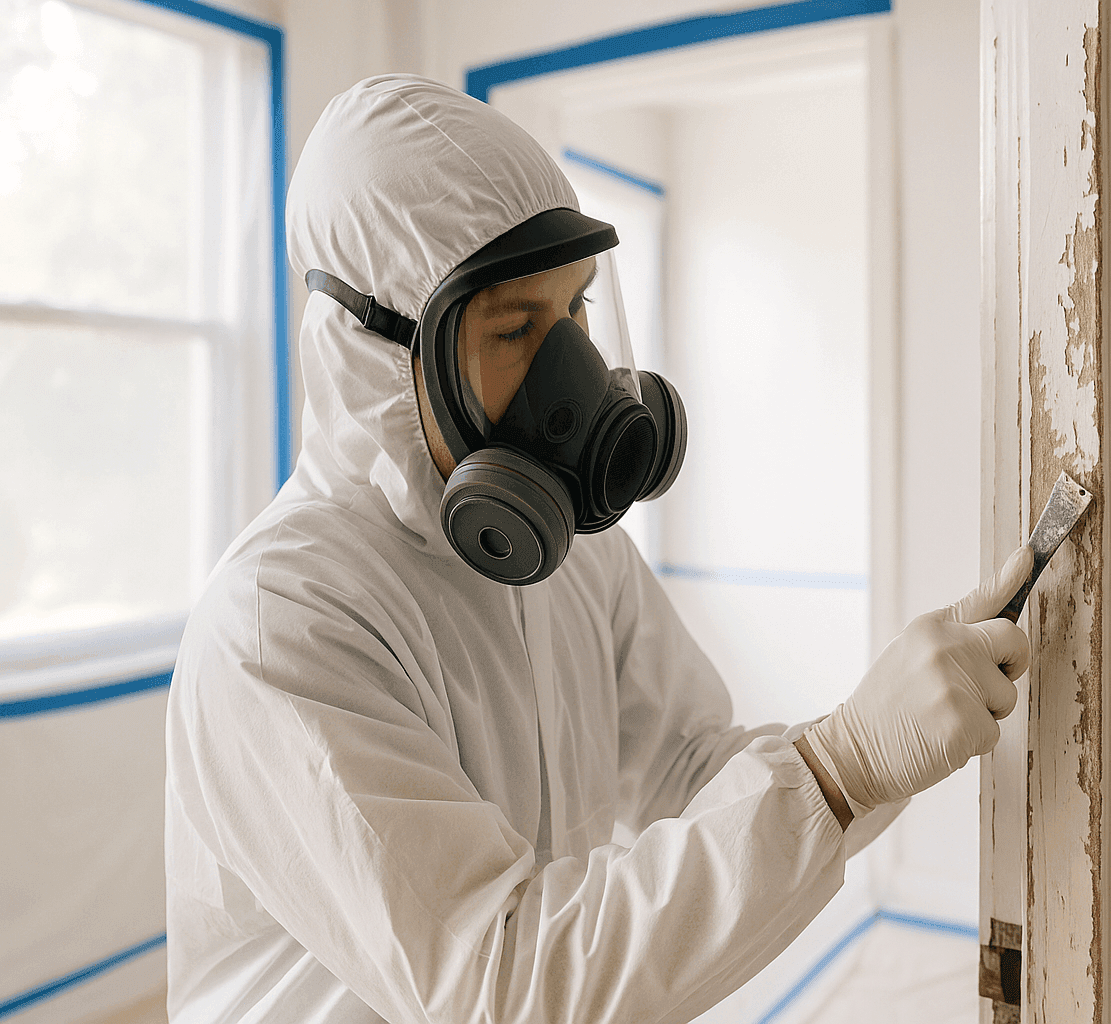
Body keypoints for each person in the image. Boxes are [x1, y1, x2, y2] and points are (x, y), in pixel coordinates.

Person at [165, 74, 1032, 1024]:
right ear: (375, 351)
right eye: (516, 329)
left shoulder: (570, 555)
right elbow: (501, 979)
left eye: (576, 312)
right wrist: (841, 766)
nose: (571, 374)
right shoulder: (280, 623)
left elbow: (694, 775)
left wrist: (880, 738)